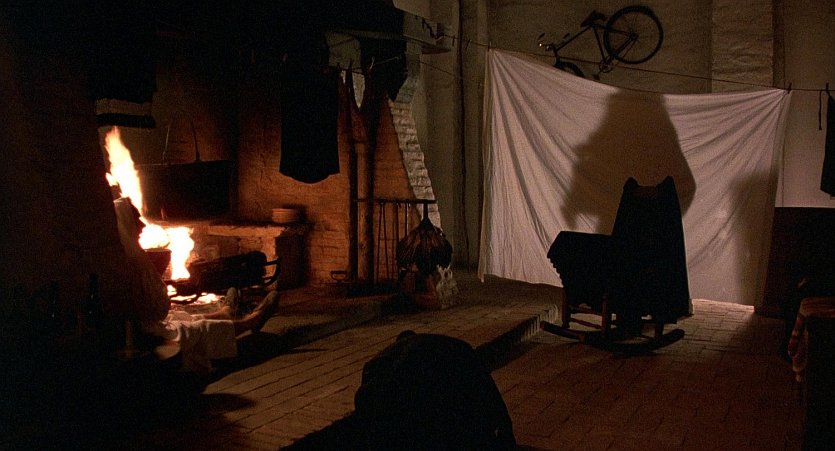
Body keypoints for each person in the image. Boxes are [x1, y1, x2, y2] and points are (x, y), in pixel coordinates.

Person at [113, 197, 278, 373]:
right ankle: (251, 322)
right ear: (125, 224)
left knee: (182, 318)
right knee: (192, 330)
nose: (142, 225)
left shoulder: (124, 255)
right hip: (141, 334)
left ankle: (225, 313)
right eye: (136, 220)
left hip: (143, 325)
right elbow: (159, 308)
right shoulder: (131, 262)